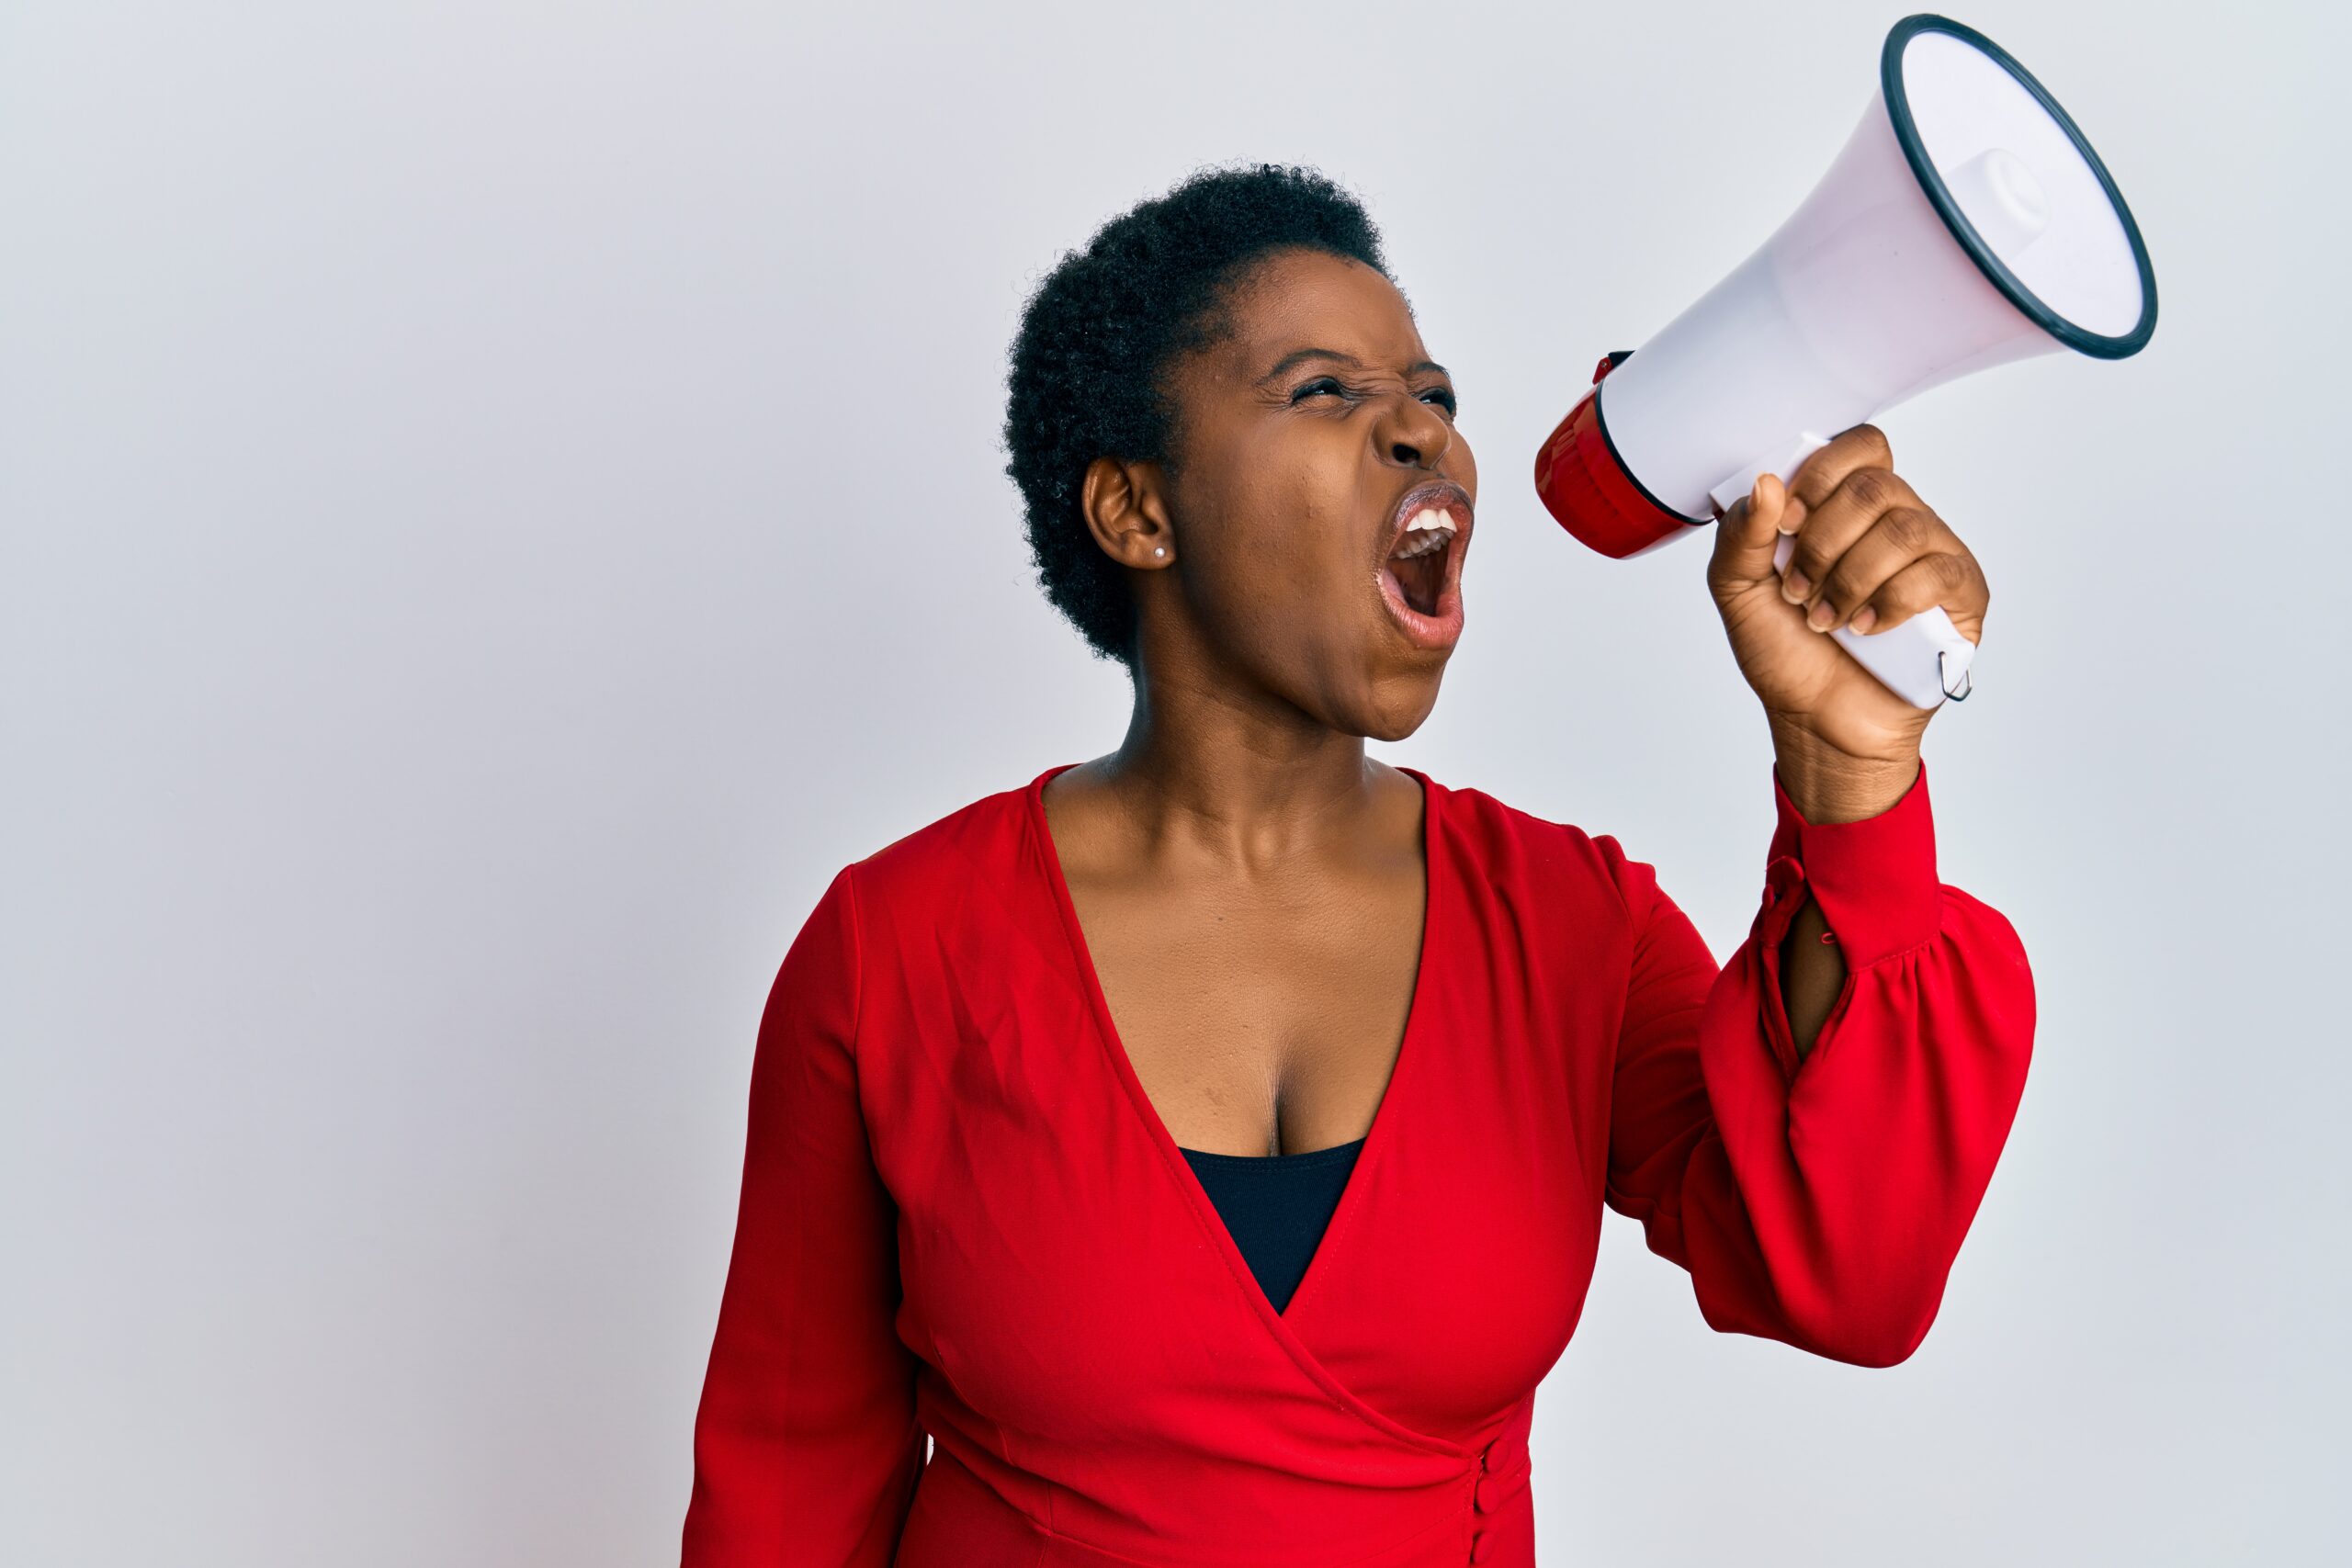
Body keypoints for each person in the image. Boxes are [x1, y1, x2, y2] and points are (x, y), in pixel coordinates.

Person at [678, 164, 2036, 1568]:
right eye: (1324, 390)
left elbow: (1845, 1281)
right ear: (1138, 512)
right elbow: (786, 1492)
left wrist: (1852, 782)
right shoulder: (892, 949)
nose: (1423, 433)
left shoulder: (1573, 925)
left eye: (1436, 397)